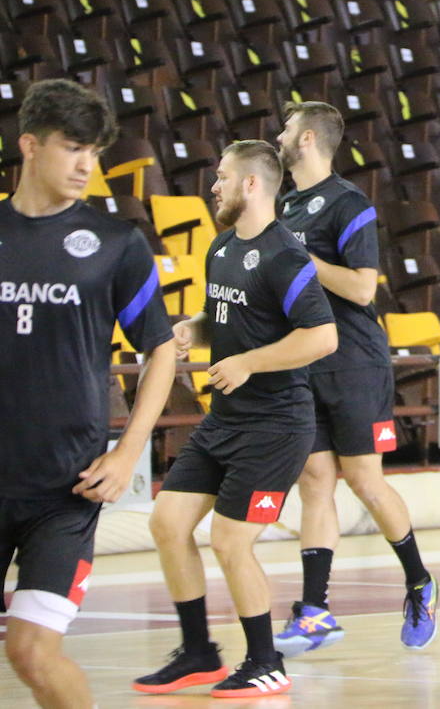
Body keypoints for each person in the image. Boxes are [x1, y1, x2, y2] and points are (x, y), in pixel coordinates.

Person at [134, 140, 337, 699]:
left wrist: (249, 362)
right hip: (223, 419)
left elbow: (322, 336)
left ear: (252, 184)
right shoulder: (221, 248)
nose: (214, 186)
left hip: (275, 425)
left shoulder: (285, 254)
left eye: (222, 177)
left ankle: (266, 661)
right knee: (167, 524)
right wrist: (191, 330)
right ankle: (199, 652)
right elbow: (225, 313)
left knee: (230, 540)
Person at [1, 80, 176, 709]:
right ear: (29, 144)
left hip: (64, 491)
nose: (86, 166)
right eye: (73, 148)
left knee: (30, 652)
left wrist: (128, 453)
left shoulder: (114, 244)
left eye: (94, 152)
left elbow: (161, 349)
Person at [274, 101, 437, 655]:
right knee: (315, 482)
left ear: (311, 137)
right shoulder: (284, 206)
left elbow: (364, 288)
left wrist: (299, 257)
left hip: (355, 362)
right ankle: (315, 611)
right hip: (305, 359)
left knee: (364, 480)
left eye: (287, 128)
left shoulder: (349, 203)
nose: (279, 134)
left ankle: (419, 580)